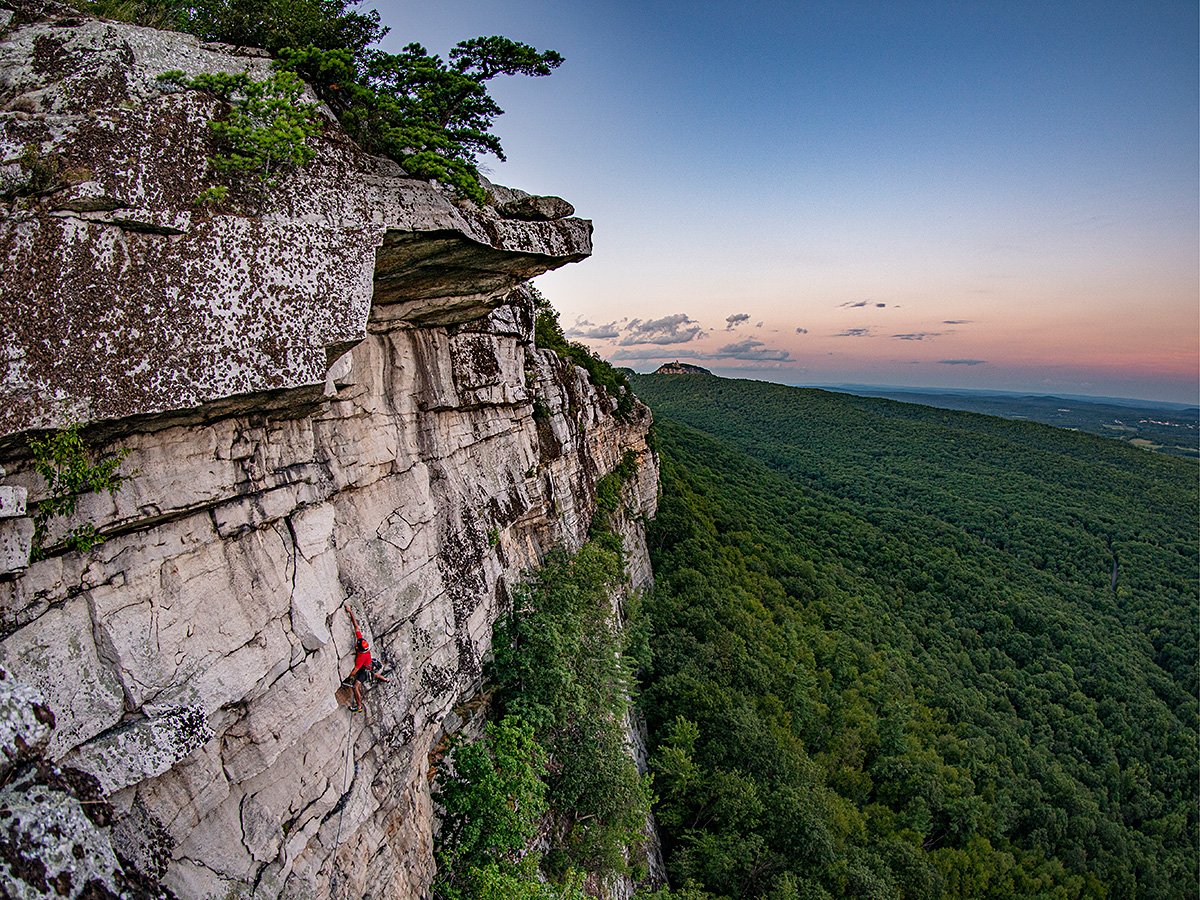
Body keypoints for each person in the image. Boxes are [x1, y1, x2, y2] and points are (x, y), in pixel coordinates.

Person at [344, 604, 388, 711]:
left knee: (356, 687)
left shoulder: (361, 657)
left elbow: (355, 670)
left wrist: (349, 677)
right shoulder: (362, 644)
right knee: (373, 674)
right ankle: (385, 679)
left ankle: (359, 706)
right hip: (369, 665)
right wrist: (350, 612)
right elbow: (356, 627)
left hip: (365, 670)